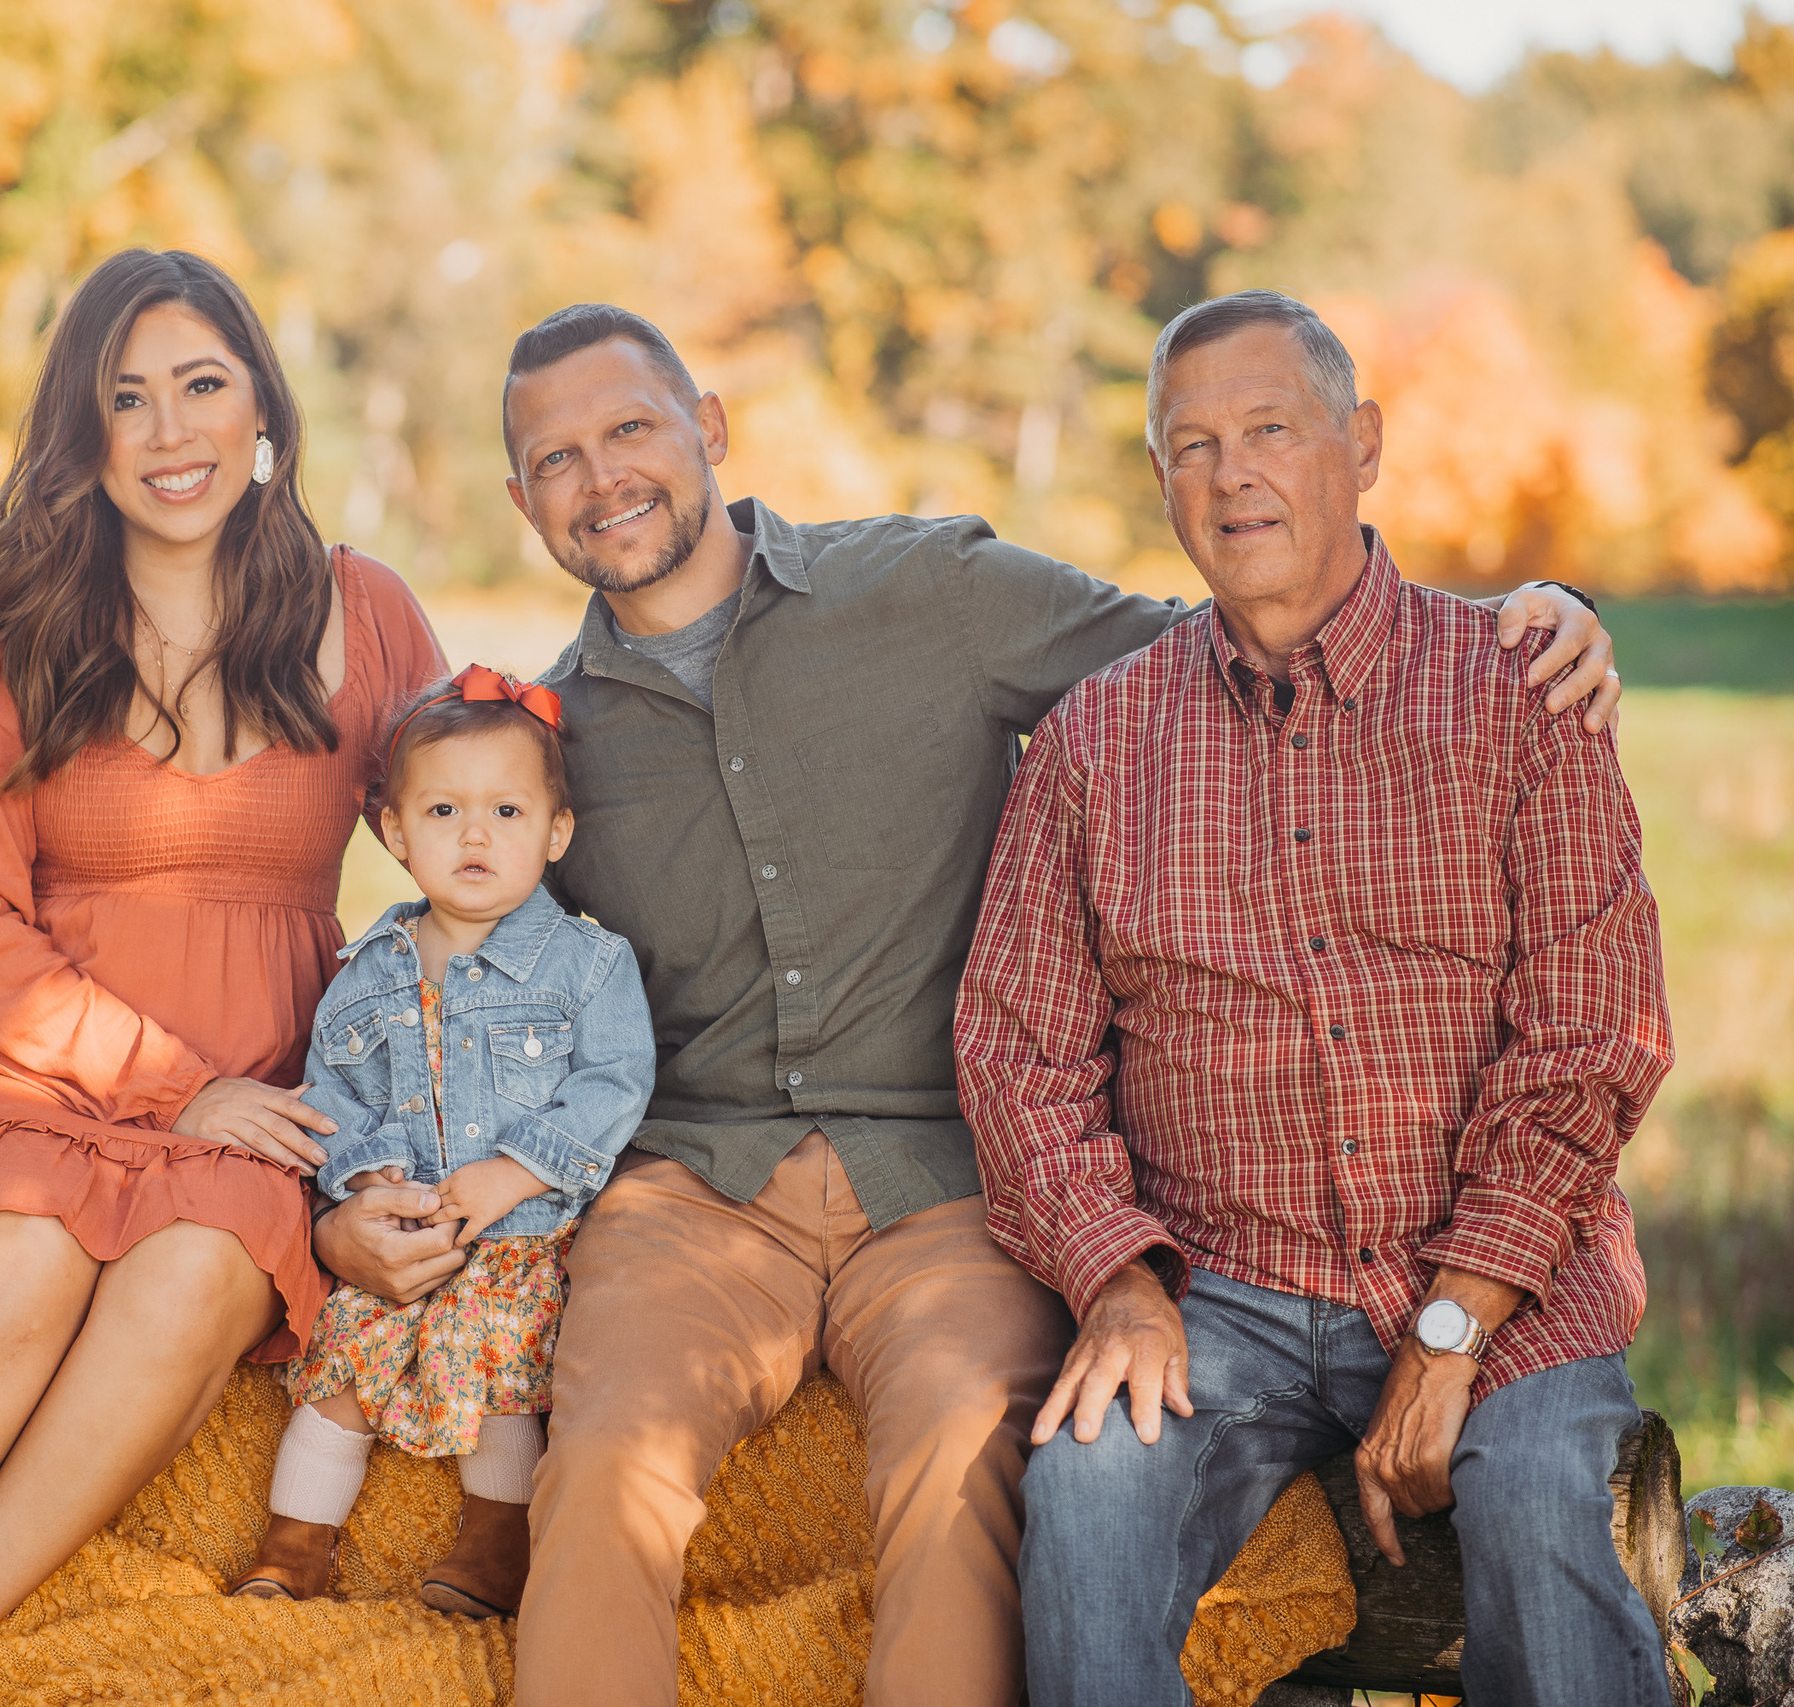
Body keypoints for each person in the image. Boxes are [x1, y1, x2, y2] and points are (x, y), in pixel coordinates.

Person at [310, 303, 1624, 1706]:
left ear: (709, 426)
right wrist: (358, 1190)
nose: (600, 476)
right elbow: (469, 992)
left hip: (943, 1181)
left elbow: (1232, 639)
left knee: (957, 1458)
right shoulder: (546, 757)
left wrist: (1531, 623)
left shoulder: (929, 591)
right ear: (522, 499)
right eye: (554, 457)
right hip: (695, 1190)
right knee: (609, 1455)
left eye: (628, 427)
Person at [0, 249, 446, 1707]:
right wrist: (185, 1088)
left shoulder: (367, 615)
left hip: (263, 1106)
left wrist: (408, 1125)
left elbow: (468, 856)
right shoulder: (19, 617)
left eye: (201, 386)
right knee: (22, 1259)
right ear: (84, 432)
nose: (171, 433)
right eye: (129, 398)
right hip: (27, 1066)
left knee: (192, 1274)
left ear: (261, 409)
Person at [957, 288, 1674, 1707]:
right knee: (1089, 1493)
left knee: (1539, 1501)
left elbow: (1594, 1036)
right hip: (1218, 1286)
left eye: (1269, 429)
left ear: (1363, 443)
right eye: (1191, 445)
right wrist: (1114, 1276)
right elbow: (1016, 1054)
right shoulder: (1095, 743)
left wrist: (1454, 1327)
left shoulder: (1523, 693)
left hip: (1502, 1275)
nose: (1232, 475)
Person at [230, 667, 655, 1618]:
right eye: (445, 810)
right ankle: (295, 1545)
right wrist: (363, 1178)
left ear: (556, 831)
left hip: (519, 1237)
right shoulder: (367, 970)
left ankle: (495, 1545)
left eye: (506, 809)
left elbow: (614, 1082)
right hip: (401, 1234)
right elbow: (333, 1088)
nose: (475, 834)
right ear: (395, 833)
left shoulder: (589, 964)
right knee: (339, 1373)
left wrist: (514, 1172)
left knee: (501, 1377)